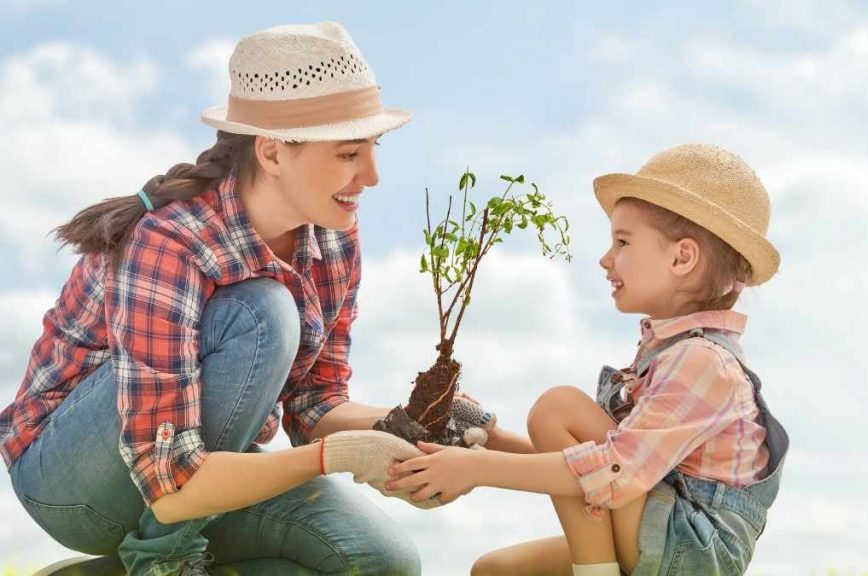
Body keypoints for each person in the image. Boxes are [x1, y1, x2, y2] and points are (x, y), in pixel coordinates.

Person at [0, 21, 524, 576]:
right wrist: (336, 457)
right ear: (272, 152)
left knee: (381, 562)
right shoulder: (170, 241)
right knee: (262, 313)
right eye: (349, 153)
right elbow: (169, 477)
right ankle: (161, 561)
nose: (371, 175)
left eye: (373, 148)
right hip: (76, 484)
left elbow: (314, 406)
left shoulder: (333, 232)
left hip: (198, 464)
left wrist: (421, 422)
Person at [386, 144, 791, 575]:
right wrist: (496, 440)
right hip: (659, 530)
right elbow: (592, 466)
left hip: (688, 547)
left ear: (681, 257)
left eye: (622, 241)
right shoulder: (670, 354)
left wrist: (478, 469)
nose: (606, 258)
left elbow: (614, 471)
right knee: (495, 570)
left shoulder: (703, 362)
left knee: (558, 406)